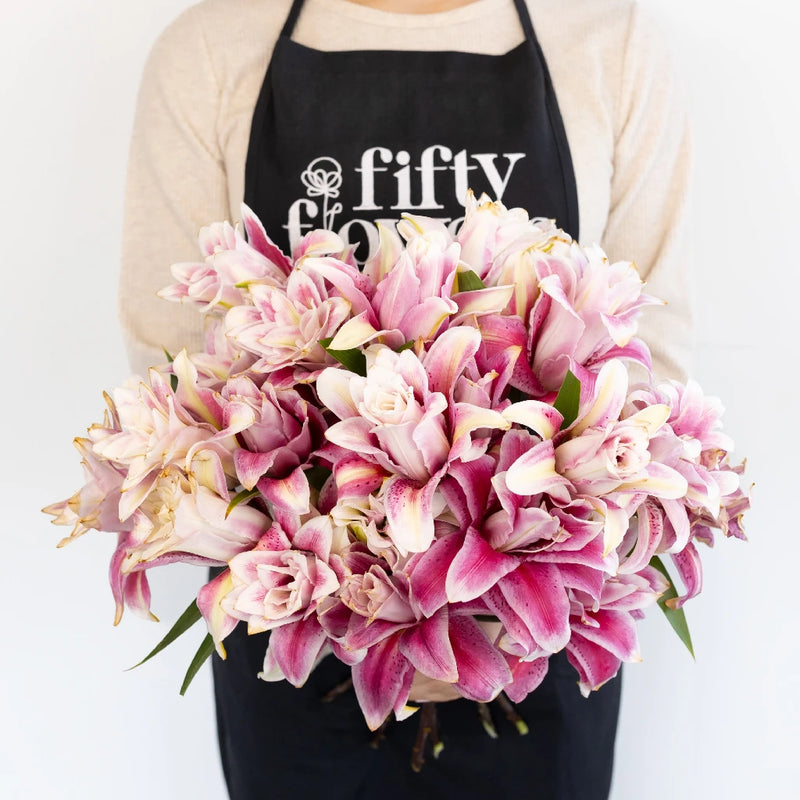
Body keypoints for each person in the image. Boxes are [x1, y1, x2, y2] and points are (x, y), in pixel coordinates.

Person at [120, 0, 692, 797]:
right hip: (291, 626)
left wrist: (477, 618)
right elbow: (175, 372)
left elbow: (651, 354)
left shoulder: (609, 42)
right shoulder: (209, 52)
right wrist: (366, 610)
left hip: (541, 638)